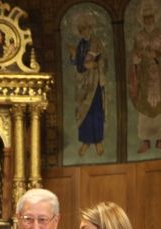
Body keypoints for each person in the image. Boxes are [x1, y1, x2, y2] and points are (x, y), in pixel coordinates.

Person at [129, 1, 161, 153]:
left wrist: (160, 55)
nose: (148, 20)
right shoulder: (138, 37)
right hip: (144, 78)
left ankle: (160, 140)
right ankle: (145, 141)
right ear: (142, 19)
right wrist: (137, 59)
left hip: (159, 78)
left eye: (150, 17)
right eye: (145, 18)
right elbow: (134, 56)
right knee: (144, 108)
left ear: (155, 18)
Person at [70, 13, 106, 156]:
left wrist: (97, 64)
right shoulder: (80, 44)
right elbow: (77, 63)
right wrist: (73, 56)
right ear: (80, 31)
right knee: (83, 111)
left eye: (88, 28)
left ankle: (98, 141)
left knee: (96, 110)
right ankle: (86, 141)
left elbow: (104, 60)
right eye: (83, 29)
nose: (86, 31)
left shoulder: (96, 42)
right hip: (83, 82)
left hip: (94, 81)